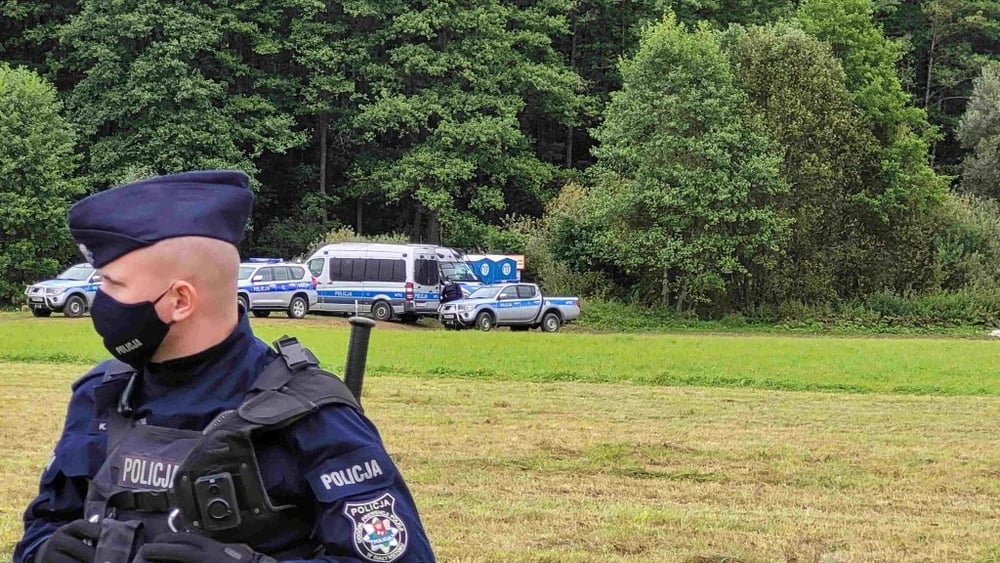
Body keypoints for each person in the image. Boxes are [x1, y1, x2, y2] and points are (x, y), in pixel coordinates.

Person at [13, 170, 435, 563]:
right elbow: (43, 525)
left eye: (113, 284)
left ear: (179, 300)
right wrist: (44, 551)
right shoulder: (100, 395)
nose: (98, 299)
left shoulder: (311, 416)